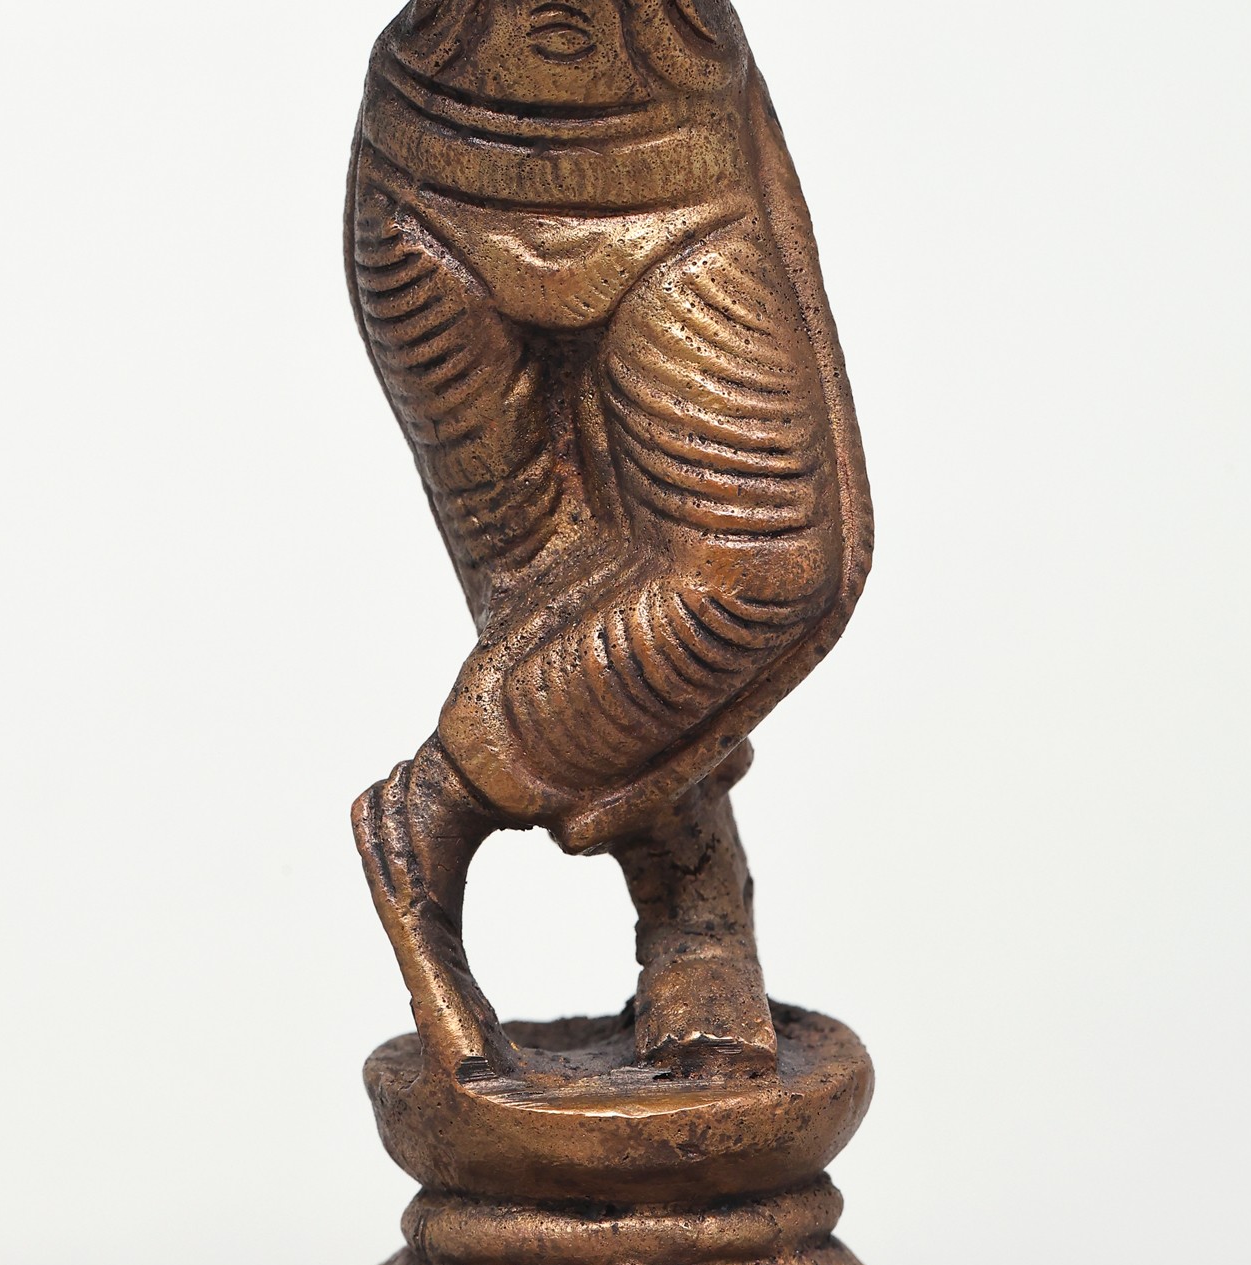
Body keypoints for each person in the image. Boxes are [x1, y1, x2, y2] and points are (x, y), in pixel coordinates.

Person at [350, 0, 871, 1078]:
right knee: (556, 602)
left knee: (767, 570)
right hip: (432, 180)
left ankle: (432, 812)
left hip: (676, 175)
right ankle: (695, 924)